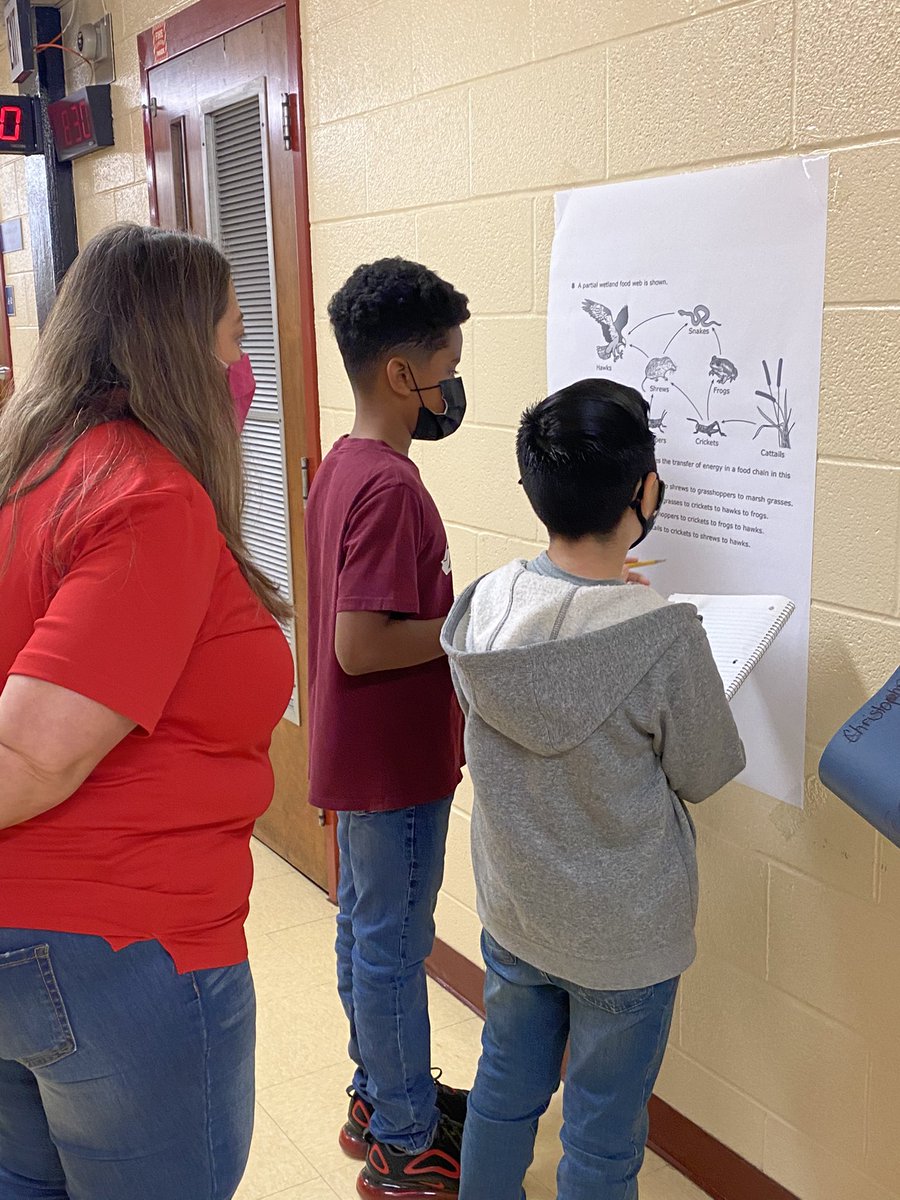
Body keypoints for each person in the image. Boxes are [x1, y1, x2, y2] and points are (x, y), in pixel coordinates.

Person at [0, 223, 295, 1200]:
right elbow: (31, 757)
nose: (243, 365)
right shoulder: (146, 497)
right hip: (119, 950)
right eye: (234, 336)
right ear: (178, 347)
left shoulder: (30, 477)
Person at [441, 379, 746, 1200]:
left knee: (504, 1094)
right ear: (644, 492)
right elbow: (707, 772)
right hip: (625, 938)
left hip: (516, 909)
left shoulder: (489, 601)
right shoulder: (663, 635)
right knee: (602, 1140)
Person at [305, 258, 471, 1197]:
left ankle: (377, 1094)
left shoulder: (344, 464)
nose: (453, 383)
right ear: (402, 375)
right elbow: (361, 645)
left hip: (356, 756)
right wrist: (467, 622)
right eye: (446, 363)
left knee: (366, 931)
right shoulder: (392, 488)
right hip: (393, 766)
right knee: (394, 944)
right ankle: (407, 1144)